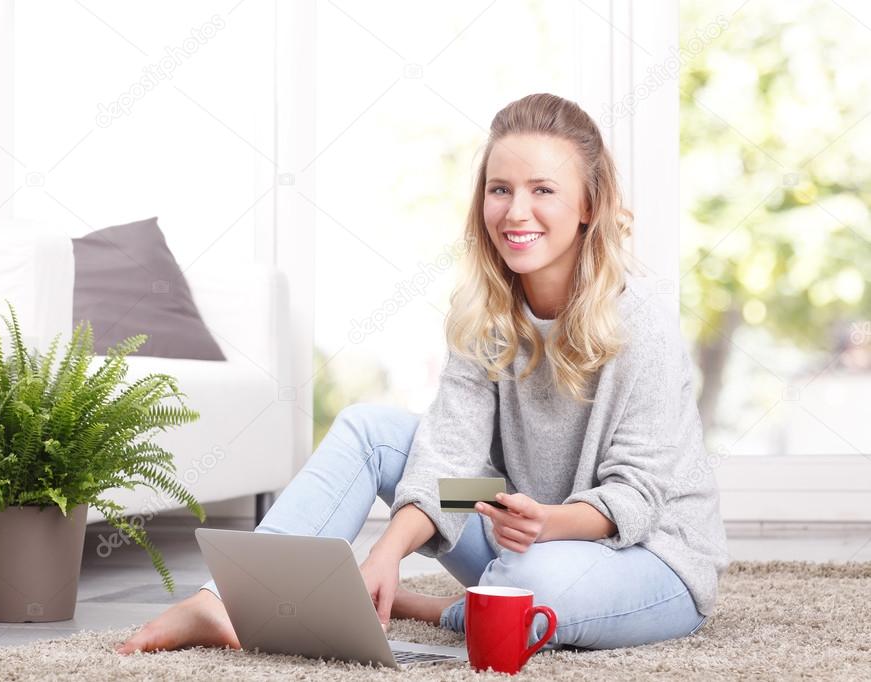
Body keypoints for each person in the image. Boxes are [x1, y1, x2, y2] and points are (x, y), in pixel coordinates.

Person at [117, 92, 730, 655]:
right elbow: (450, 462)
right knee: (371, 432)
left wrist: (551, 524)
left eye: (543, 190)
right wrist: (386, 553)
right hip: (514, 512)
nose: (517, 211)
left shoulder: (640, 319)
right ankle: (220, 600)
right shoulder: (485, 311)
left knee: (524, 582)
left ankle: (446, 610)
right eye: (500, 189)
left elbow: (637, 496)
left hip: (644, 549)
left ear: (588, 204)